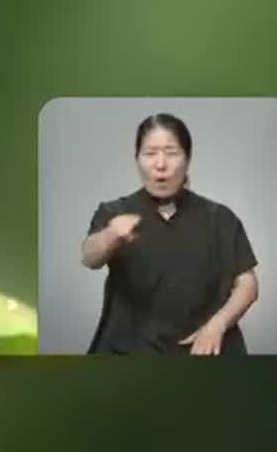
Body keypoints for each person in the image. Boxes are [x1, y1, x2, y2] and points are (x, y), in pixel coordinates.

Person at [80, 113, 259, 355]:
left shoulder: (219, 217)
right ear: (137, 160)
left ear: (187, 159)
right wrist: (111, 235)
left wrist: (217, 325)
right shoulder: (114, 211)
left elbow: (247, 284)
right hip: (129, 354)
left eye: (171, 153)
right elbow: (90, 257)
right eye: (150, 153)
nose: (160, 164)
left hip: (204, 352)